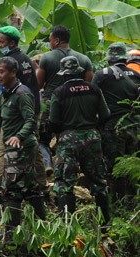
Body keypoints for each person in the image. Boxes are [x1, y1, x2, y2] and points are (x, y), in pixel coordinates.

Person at [0, 57, 47, 235]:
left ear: (13, 72)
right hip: (11, 147)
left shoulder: (22, 93)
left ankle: (11, 235)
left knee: (11, 189)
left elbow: (30, 120)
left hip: (22, 148)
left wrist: (19, 136)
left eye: (1, 71)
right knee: (30, 187)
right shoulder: (4, 93)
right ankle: (44, 226)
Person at [48, 55, 111, 224]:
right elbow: (105, 114)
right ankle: (105, 226)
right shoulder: (94, 89)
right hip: (92, 137)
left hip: (68, 140)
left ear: (65, 74)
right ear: (79, 72)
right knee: (98, 182)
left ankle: (67, 227)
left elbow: (53, 121)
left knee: (64, 183)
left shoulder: (59, 92)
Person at [92, 42, 140, 197]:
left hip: (113, 126)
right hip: (133, 125)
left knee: (114, 166)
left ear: (109, 59)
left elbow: (93, 101)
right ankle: (132, 201)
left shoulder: (102, 75)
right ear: (125, 59)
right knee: (131, 164)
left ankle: (117, 202)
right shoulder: (136, 75)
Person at [36, 25, 94, 149]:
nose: (49, 43)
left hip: (50, 103)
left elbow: (38, 84)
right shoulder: (84, 59)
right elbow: (89, 84)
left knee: (42, 139)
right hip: (75, 104)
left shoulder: (46, 58)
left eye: (50, 40)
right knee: (69, 134)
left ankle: (48, 164)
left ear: (56, 40)